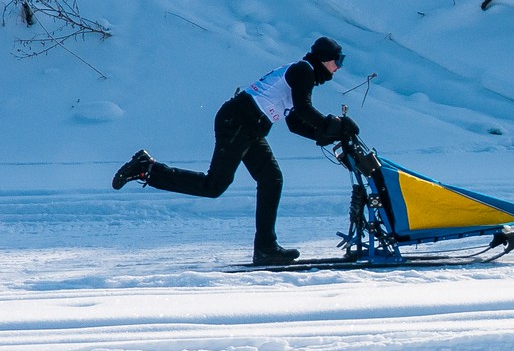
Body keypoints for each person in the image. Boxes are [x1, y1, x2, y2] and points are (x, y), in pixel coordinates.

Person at [112, 36, 359, 265]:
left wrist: (330, 134)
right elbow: (304, 111)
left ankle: (266, 248)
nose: (338, 67)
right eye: (338, 61)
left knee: (271, 179)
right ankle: (147, 169)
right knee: (214, 186)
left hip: (250, 125)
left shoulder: (302, 73)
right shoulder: (303, 70)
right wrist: (334, 125)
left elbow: (295, 123)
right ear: (324, 59)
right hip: (239, 121)